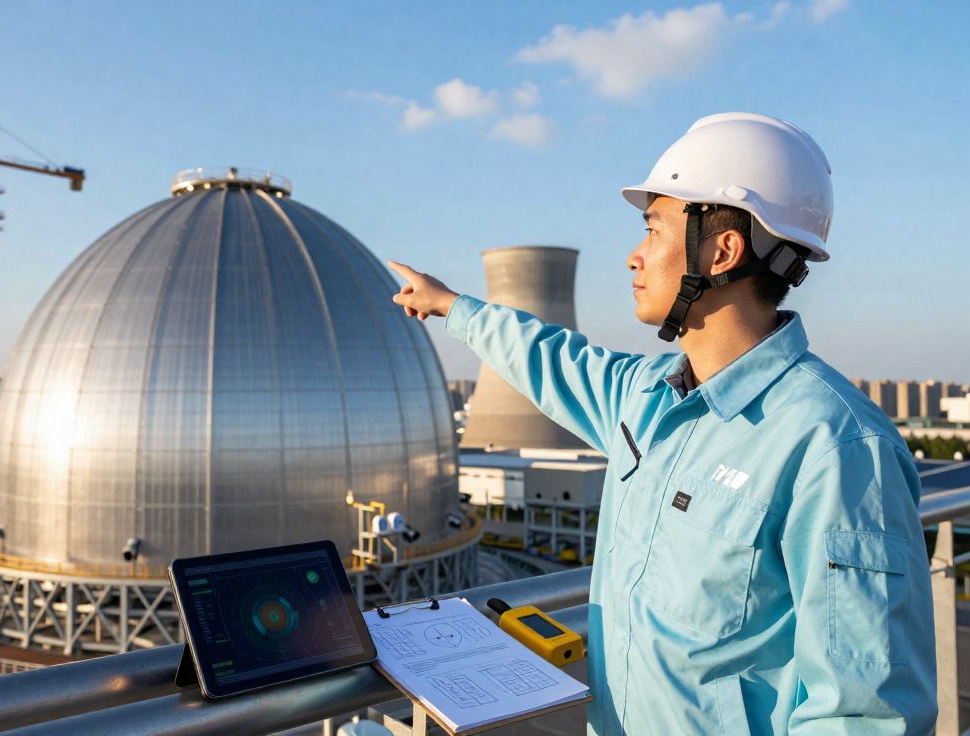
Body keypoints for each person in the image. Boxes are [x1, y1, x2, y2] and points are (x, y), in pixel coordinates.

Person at [387, 113, 936, 734]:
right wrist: (452, 306)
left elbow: (865, 712)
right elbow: (549, 358)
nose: (633, 256)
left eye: (652, 230)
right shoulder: (645, 397)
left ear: (722, 250)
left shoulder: (833, 445)